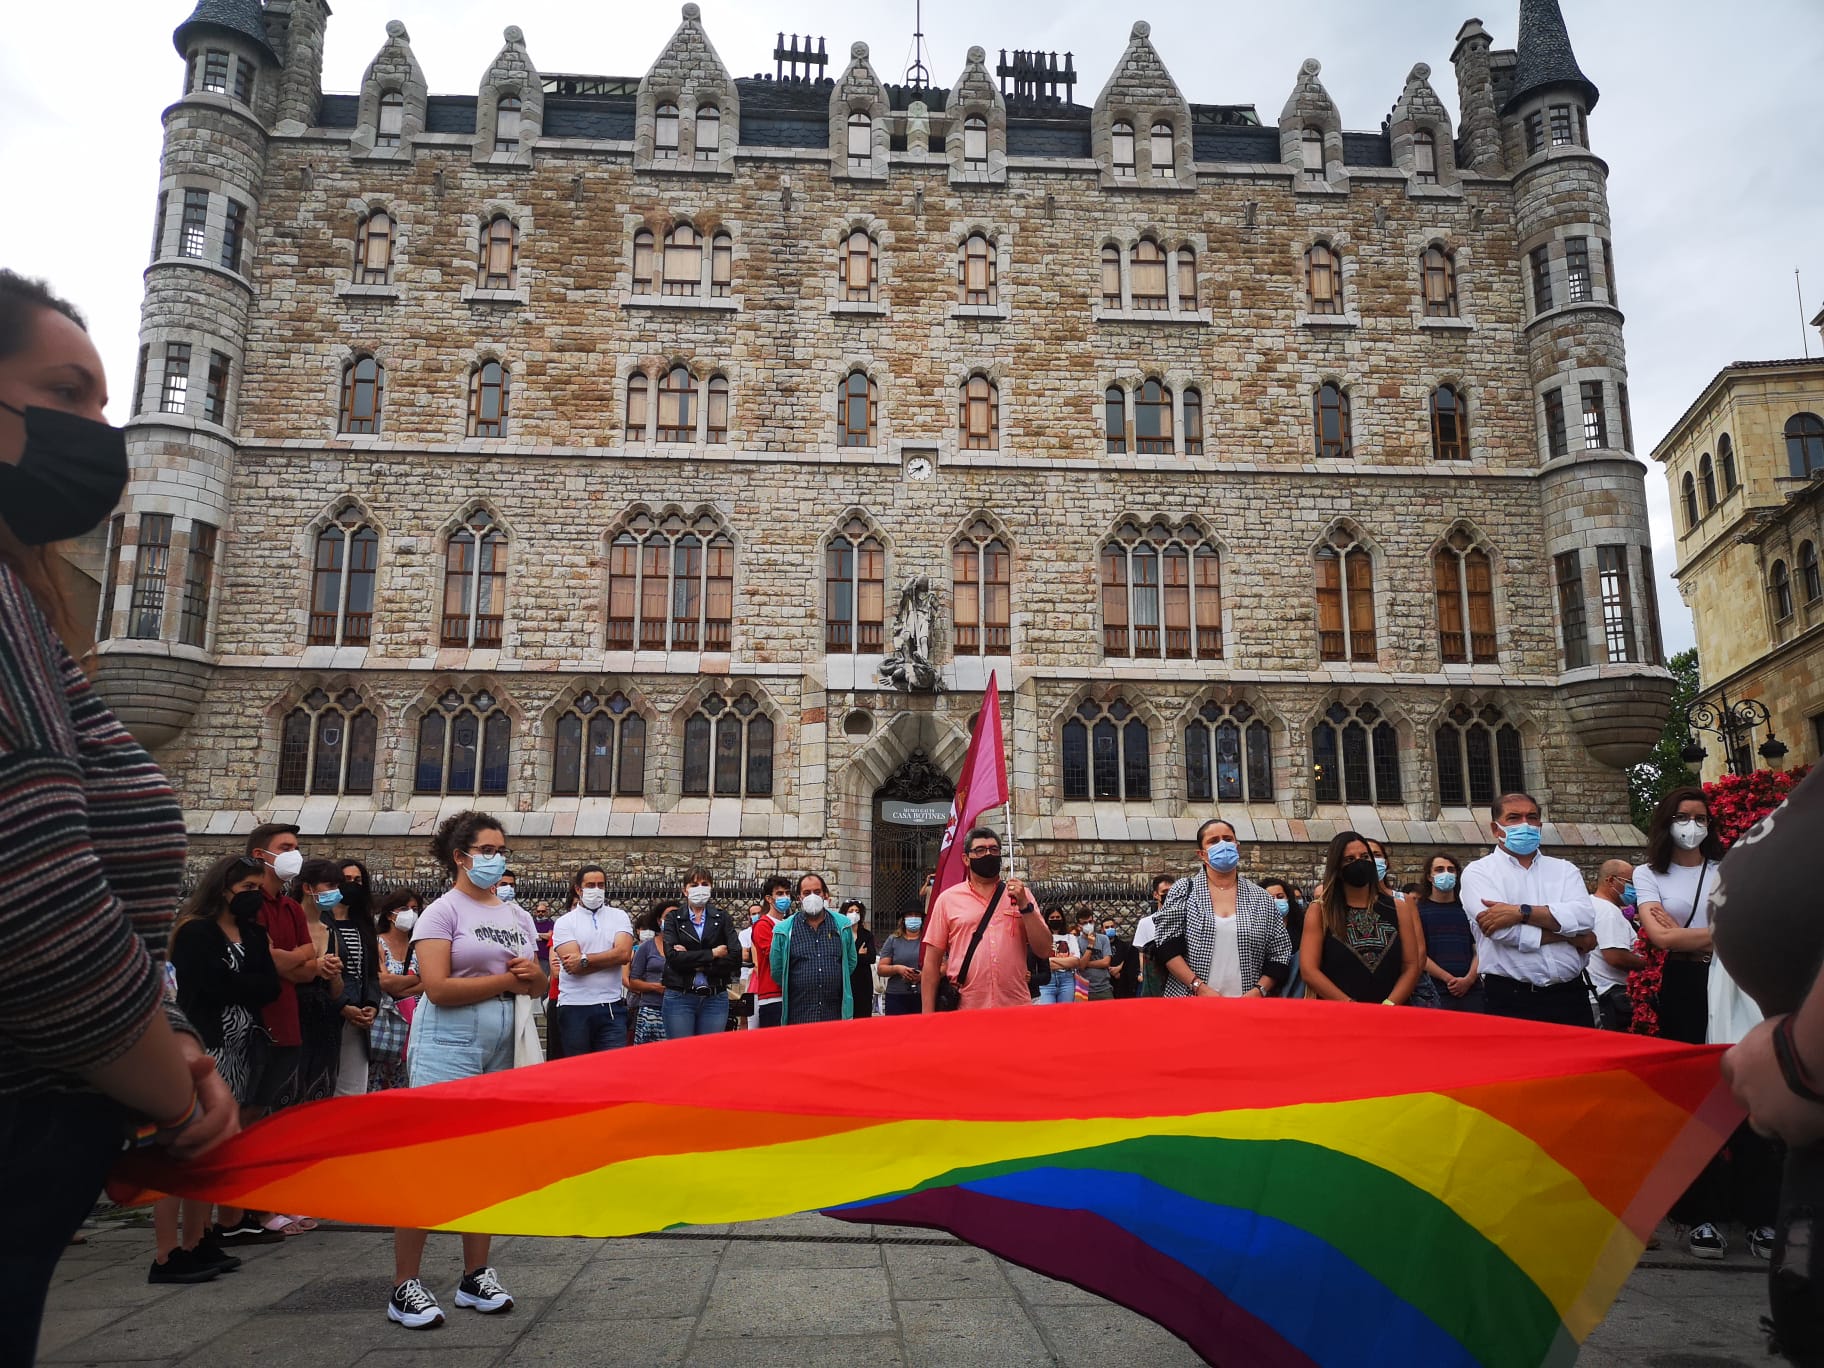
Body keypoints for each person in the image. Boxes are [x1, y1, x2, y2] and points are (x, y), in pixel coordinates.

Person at [0, 269, 241, 1362]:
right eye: (71, 392)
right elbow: (36, 908)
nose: (111, 431)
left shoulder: (25, 607)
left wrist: (172, 1038)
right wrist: (173, 1090)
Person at [390, 810, 544, 1330]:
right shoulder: (441, 912)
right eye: (487, 849)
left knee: (486, 1157)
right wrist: (505, 983)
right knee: (430, 1160)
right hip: (448, 1040)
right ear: (461, 856)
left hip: (503, 1038)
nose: (497, 858)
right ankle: (404, 1284)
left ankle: (475, 1273)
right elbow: (435, 986)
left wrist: (533, 977)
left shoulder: (517, 915)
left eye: (502, 849)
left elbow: (538, 983)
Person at [1635, 786, 1773, 1261]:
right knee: (1698, 1100)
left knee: (1747, 1092)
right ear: (1666, 820)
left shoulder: (1728, 869)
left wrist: (1687, 935)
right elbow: (1660, 938)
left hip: (1733, 983)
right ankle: (1703, 1216)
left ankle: (1760, 1216)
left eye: (1701, 817)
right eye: (1683, 815)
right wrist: (1711, 934)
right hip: (1685, 989)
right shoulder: (1647, 873)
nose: (1692, 825)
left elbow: (1748, 924)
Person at [158, 854, 284, 1284]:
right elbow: (208, 986)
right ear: (223, 889)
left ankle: (199, 1237)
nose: (253, 897)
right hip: (205, 1044)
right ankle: (167, 1252)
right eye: (246, 890)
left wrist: (243, 983)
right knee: (190, 1149)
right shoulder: (196, 931)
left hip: (240, 1044)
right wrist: (245, 983)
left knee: (219, 1150)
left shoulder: (252, 931)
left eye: (256, 890)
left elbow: (268, 986)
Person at [1458, 793, 1598, 1026]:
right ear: (1496, 828)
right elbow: (1501, 932)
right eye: (1514, 817)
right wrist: (1570, 936)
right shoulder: (1479, 872)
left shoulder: (1564, 870)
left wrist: (1521, 912)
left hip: (1570, 996)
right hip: (1512, 998)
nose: (1525, 824)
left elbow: (1584, 918)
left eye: (1531, 817)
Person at [1156, 819, 1292, 999]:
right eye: (1213, 841)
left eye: (1228, 839)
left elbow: (1280, 952)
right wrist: (1200, 987)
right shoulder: (1184, 890)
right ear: (1202, 854)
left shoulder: (1261, 897)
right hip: (1191, 1001)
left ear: (1237, 846)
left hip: (1247, 1005)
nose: (1223, 844)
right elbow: (1166, 945)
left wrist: (1259, 991)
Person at [922, 828, 1051, 1012]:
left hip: (1015, 1007)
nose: (988, 854)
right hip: (967, 1009)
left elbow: (1044, 949)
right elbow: (931, 963)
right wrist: (927, 1016)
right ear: (966, 859)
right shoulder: (948, 900)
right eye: (980, 850)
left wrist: (1025, 906)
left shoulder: (1021, 896)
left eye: (994, 849)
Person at [240, 821, 319, 1122]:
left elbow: (310, 969)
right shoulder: (247, 903)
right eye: (285, 849)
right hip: (254, 1027)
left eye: (296, 849)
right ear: (260, 855)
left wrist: (286, 959)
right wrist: (296, 957)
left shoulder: (292, 908)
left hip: (288, 1027)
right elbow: (263, 960)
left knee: (267, 1114)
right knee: (240, 1112)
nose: (294, 855)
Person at [1299, 831, 1424, 1005]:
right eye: (1350, 859)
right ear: (1337, 866)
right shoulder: (1320, 910)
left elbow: (1411, 965)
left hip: (1392, 1013)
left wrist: (1389, 1005)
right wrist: (1350, 1006)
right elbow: (1309, 970)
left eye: (1365, 856)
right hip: (1340, 1015)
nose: (1359, 862)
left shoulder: (1398, 907)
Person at [302, 857, 377, 1099]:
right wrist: (343, 1006)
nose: (351, 885)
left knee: (353, 1091)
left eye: (358, 880)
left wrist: (372, 1005)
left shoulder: (364, 924)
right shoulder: (320, 922)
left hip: (359, 1017)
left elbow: (371, 972)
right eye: (346, 880)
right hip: (329, 1013)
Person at [551, 864, 635, 1055]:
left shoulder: (619, 916)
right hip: (574, 1006)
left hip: (611, 1005)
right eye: (590, 885)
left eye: (601, 885)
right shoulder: (565, 922)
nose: (596, 890)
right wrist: (610, 957)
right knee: (579, 1072)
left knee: (612, 1069)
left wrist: (585, 959)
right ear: (578, 889)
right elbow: (572, 967)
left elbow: (624, 954)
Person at [661, 870, 743, 1038]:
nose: (700, 888)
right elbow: (674, 958)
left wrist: (696, 962)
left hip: (714, 997)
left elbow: (735, 956)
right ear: (685, 890)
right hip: (680, 996)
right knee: (681, 1054)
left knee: (709, 1054)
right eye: (694, 885)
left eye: (705, 884)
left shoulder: (722, 918)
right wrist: (713, 953)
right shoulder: (674, 919)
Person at [771, 873, 859, 1024]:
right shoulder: (784, 930)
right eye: (806, 893)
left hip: (835, 1014)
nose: (812, 897)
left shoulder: (842, 926)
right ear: (799, 898)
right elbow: (778, 971)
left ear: (825, 895)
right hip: (799, 1015)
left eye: (817, 892)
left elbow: (850, 962)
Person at [1412, 853, 1482, 1012]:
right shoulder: (1418, 912)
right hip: (1434, 992)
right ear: (1429, 876)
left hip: (1472, 991)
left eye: (1451, 869)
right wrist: (1449, 979)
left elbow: (1480, 947)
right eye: (1439, 869)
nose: (1446, 873)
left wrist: (1469, 979)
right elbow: (1418, 954)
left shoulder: (1467, 909)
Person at [370, 890, 421, 1092]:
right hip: (385, 1025)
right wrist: (418, 979)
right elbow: (384, 982)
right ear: (390, 914)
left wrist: (399, 984)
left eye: (415, 909)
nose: (411, 913)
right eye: (404, 908)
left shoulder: (420, 946)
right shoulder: (377, 943)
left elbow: (432, 984)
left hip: (414, 1026)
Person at [1586, 860, 1645, 1031]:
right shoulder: (1608, 912)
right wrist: (1650, 966)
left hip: (1600, 997)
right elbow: (1615, 956)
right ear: (1610, 880)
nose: (1634, 889)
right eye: (1630, 883)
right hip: (1609, 998)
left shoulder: (1593, 904)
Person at [749, 877, 791, 1028]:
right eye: (779, 893)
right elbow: (775, 954)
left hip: (791, 994)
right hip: (772, 995)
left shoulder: (791, 923)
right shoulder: (763, 925)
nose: (785, 897)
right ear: (769, 898)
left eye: (787, 893)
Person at [626, 906, 670, 1044]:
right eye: (667, 917)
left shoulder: (686, 946)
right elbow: (633, 981)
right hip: (651, 1008)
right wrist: (656, 987)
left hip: (677, 1009)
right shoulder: (646, 948)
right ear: (658, 920)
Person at [1259, 876, 1305, 998]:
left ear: (1288, 898)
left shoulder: (1302, 927)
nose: (1275, 901)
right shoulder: (1256, 929)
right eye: (1270, 898)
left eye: (1280, 897)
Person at [878, 912, 925, 1015]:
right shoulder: (893, 940)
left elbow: (943, 966)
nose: (913, 918)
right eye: (910, 915)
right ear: (903, 919)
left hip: (924, 995)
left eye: (917, 915)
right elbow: (881, 969)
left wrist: (924, 976)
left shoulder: (928, 939)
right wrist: (898, 969)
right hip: (897, 995)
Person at [1134, 873, 1173, 997]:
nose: (1169, 894)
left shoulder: (1184, 919)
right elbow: (1142, 953)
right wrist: (1143, 974)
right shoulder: (1145, 923)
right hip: (1155, 976)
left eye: (1172, 891)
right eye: (1165, 891)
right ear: (1156, 894)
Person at [1034, 909, 1081, 1005]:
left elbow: (1075, 961)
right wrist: (1065, 962)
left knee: (1066, 1014)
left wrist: (1050, 960)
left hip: (1066, 981)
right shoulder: (1041, 938)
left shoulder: (1070, 937)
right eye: (1052, 917)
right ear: (1046, 920)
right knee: (1047, 1014)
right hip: (1047, 982)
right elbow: (1041, 964)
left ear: (1062, 919)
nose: (1055, 919)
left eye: (1058, 917)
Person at [843, 898, 878, 1018]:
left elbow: (871, 957)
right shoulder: (840, 933)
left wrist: (855, 957)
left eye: (857, 911)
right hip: (846, 980)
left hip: (863, 982)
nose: (854, 913)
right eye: (851, 910)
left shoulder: (866, 935)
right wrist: (859, 955)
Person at [1075, 907, 1116, 1001]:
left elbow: (1106, 962)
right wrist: (1090, 945)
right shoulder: (1076, 941)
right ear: (1079, 926)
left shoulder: (1103, 939)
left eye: (1090, 922)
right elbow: (1081, 966)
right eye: (1084, 923)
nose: (1088, 925)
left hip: (1104, 987)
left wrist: (1086, 964)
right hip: (1084, 990)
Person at [1106, 917, 1141, 1000]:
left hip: (1122, 981)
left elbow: (1129, 959)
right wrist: (1110, 971)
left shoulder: (1123, 945)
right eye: (1107, 927)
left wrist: (1119, 968)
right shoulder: (1100, 945)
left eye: (1112, 926)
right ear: (1101, 929)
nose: (1110, 929)